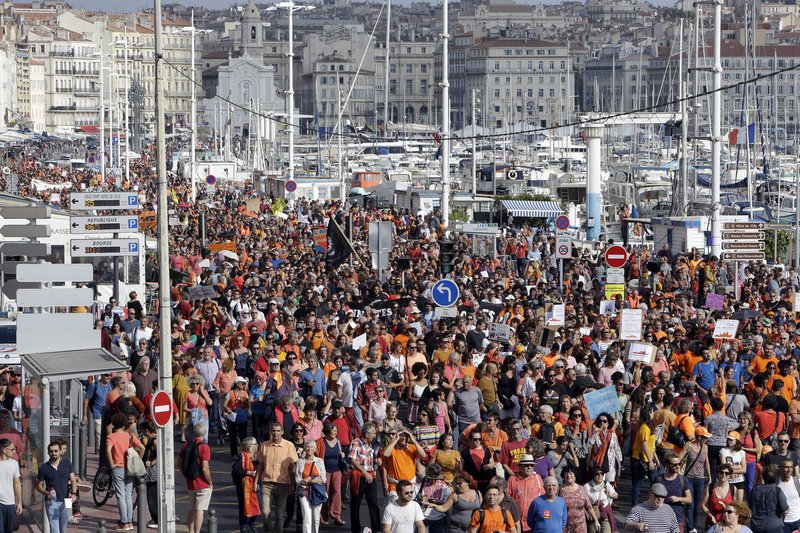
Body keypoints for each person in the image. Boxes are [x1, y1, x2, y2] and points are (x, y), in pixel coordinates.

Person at [257, 422, 299, 533]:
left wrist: (292, 484)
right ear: (270, 432)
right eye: (273, 431)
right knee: (265, 513)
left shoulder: (289, 446)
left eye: (278, 431)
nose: (275, 433)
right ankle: (269, 531)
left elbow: (292, 467)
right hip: (267, 483)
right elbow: (260, 465)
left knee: (280, 515)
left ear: (282, 432)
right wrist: (255, 482)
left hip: (283, 485)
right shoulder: (264, 446)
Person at [106, 412, 144, 531]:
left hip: (118, 468)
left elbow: (108, 451)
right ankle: (129, 522)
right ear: (124, 425)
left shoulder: (111, 437)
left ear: (115, 425)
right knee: (128, 495)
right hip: (130, 469)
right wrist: (138, 460)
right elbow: (142, 447)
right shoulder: (130, 436)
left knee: (121, 496)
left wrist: (112, 464)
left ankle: (124, 522)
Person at [37, 440, 78, 533]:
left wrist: (74, 494)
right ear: (48, 453)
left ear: (60, 451)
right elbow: (38, 485)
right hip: (51, 502)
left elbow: (73, 480)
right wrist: (46, 493)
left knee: (63, 529)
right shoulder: (43, 468)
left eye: (56, 451)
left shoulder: (67, 463)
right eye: (51, 451)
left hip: (66, 500)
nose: (53, 453)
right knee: (55, 530)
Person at [180, 421, 213, 533]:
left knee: (192, 508)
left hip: (190, 482)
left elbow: (179, 464)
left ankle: (191, 531)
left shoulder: (185, 446)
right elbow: (204, 468)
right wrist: (210, 482)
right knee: (200, 509)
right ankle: (197, 531)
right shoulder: (204, 447)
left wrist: (186, 475)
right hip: (202, 483)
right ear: (204, 433)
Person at [349, 422, 381, 533]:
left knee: (373, 503)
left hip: (370, 476)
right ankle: (356, 530)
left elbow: (370, 461)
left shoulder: (371, 445)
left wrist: (377, 461)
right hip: (360, 477)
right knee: (355, 505)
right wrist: (364, 472)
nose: (374, 435)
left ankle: (376, 529)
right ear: (366, 434)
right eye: (373, 433)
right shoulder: (356, 443)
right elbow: (352, 459)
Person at [654, 451, 692, 533]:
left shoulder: (682, 479)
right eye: (675, 465)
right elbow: (651, 498)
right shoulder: (659, 479)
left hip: (678, 518)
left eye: (679, 463)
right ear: (667, 465)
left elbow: (689, 499)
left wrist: (678, 499)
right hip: (661, 518)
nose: (678, 466)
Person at [506, 454, 545, 533]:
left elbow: (543, 498)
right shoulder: (512, 479)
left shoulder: (538, 478)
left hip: (533, 521)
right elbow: (507, 499)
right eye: (526, 465)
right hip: (516, 520)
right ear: (520, 467)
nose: (529, 467)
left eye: (531, 465)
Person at [317, 423, 346, 526]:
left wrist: (342, 455)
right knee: (325, 492)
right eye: (333, 430)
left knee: (337, 492)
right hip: (325, 471)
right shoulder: (321, 442)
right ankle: (323, 516)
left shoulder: (338, 441)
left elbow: (340, 454)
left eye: (336, 431)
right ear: (328, 431)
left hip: (337, 470)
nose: (335, 433)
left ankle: (336, 515)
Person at [296, 439, 327, 533]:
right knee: (307, 517)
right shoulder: (300, 462)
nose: (309, 449)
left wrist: (309, 480)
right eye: (307, 447)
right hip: (304, 492)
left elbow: (323, 478)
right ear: (304, 448)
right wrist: (311, 481)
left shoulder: (319, 461)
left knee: (316, 518)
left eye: (312, 447)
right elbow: (297, 478)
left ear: (315, 449)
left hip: (317, 492)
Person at [233, 436, 261, 533]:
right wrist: (249, 473)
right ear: (250, 446)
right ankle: (243, 526)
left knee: (259, 504)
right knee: (243, 506)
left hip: (256, 484)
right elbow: (236, 469)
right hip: (243, 486)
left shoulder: (258, 456)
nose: (257, 445)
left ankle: (252, 522)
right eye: (255, 444)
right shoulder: (243, 456)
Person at [560, 466, 600, 533]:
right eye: (566, 473)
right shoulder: (559, 489)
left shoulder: (581, 489)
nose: (568, 475)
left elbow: (588, 506)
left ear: (575, 476)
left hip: (580, 524)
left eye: (571, 473)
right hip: (565, 525)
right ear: (563, 476)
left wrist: (596, 520)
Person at [748, 465, 787, 533]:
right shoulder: (777, 490)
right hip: (774, 526)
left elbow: (750, 506)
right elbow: (785, 508)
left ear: (763, 477)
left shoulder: (754, 490)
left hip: (757, 526)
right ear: (776, 477)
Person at [418, 463, 452, 533]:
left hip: (439, 519)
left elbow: (447, 504)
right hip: (423, 518)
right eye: (431, 479)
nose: (433, 481)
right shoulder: (420, 484)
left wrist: (435, 502)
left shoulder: (444, 486)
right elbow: (413, 500)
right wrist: (420, 500)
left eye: (435, 479)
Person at [585, 466, 618, 533]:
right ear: (593, 475)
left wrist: (610, 495)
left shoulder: (606, 484)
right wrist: (586, 513)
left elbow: (616, 495)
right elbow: (583, 502)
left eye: (602, 473)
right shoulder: (587, 486)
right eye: (597, 474)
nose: (600, 476)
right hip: (593, 514)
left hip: (605, 513)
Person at [140, 420, 159, 530]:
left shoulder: (154, 441)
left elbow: (159, 454)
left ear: (147, 430)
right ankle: (154, 518)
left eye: (142, 430)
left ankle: (156, 519)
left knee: (152, 495)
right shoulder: (153, 439)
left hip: (153, 472)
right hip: (152, 472)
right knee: (151, 494)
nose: (142, 432)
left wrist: (151, 462)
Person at [0, 438, 21, 532]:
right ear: (4, 450)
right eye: (12, 449)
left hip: (10, 503)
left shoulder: (14, 464)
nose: (14, 451)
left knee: (9, 530)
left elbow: (17, 484)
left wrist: (19, 503)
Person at [776, 457, 800, 533]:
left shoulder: (797, 482)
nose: (789, 470)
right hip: (783, 522)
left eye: (791, 467)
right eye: (786, 467)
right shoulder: (775, 484)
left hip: (797, 522)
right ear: (780, 468)